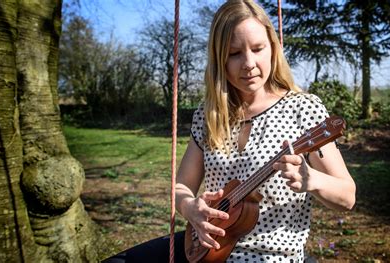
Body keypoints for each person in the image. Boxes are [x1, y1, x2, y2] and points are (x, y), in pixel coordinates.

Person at [102, 0, 355, 262]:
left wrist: (311, 179)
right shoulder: (209, 114)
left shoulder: (303, 108)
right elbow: (180, 187)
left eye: (258, 49)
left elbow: (348, 196)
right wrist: (190, 208)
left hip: (270, 256)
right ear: (219, 58)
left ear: (273, 48)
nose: (248, 63)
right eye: (234, 53)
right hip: (205, 246)